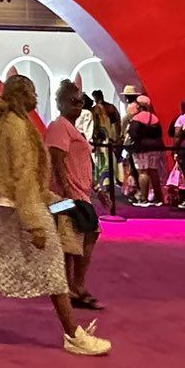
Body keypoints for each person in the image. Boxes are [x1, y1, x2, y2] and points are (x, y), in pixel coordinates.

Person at [0, 75, 109, 357]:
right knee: (54, 264)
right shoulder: (17, 127)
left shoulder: (6, 121)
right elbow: (23, 176)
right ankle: (74, 335)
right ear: (23, 95)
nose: (36, 97)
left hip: (4, 201)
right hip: (19, 204)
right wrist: (36, 224)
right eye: (31, 91)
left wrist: (53, 201)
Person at [45, 81, 101, 311]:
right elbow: (56, 163)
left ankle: (72, 287)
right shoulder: (59, 127)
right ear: (60, 104)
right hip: (66, 196)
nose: (78, 106)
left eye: (80, 101)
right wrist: (68, 196)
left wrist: (95, 190)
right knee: (84, 235)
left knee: (72, 240)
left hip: (77, 193)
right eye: (73, 101)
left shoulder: (70, 127)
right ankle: (75, 286)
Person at [124, 95, 165, 206]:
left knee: (143, 172)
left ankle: (143, 198)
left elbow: (133, 133)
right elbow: (160, 134)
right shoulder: (154, 118)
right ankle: (159, 198)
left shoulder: (137, 118)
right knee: (154, 171)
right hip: (155, 147)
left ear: (139, 105)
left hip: (141, 148)